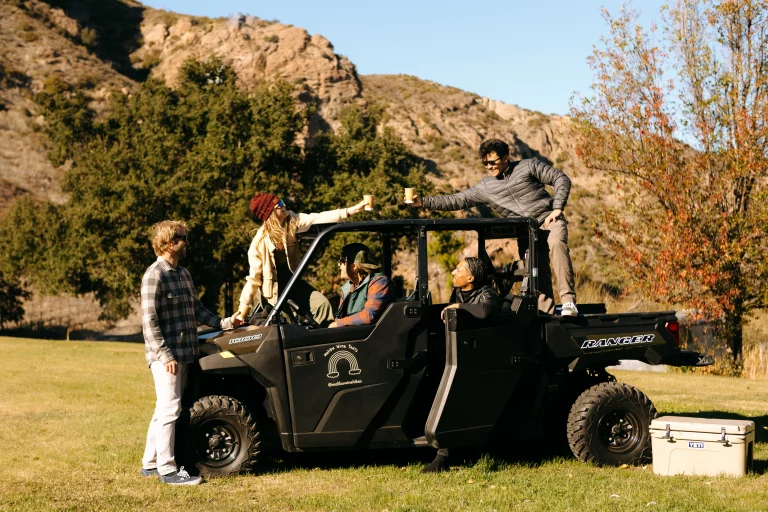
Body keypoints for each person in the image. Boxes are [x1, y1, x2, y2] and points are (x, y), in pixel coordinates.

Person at [410, 139, 578, 317]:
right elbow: (456, 200)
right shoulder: (486, 187)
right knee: (536, 271)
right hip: (527, 232)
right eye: (485, 163)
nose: (489, 167)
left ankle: (568, 302)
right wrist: (423, 202)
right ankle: (545, 314)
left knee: (557, 245)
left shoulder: (528, 166)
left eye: (492, 162)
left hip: (549, 221)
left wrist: (558, 207)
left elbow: (561, 178)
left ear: (506, 157)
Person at [140, 220, 242, 485]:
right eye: (183, 238)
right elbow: (149, 322)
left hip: (185, 354)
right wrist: (165, 355)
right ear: (169, 242)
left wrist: (227, 322)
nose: (187, 243)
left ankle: (150, 464)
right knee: (170, 409)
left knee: (163, 409)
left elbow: (198, 311)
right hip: (167, 358)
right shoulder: (154, 275)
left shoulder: (183, 274)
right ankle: (168, 470)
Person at [237, 193, 367, 326]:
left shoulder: (292, 221)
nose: (284, 205)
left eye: (282, 201)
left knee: (322, 305)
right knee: (286, 326)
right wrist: (242, 312)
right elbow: (253, 280)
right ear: (271, 213)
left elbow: (318, 217)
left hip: (292, 282)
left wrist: (354, 209)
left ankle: (326, 340)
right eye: (280, 204)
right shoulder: (258, 245)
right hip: (273, 292)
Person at [424, 257, 501, 473]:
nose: (453, 272)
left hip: (484, 358)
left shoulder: (487, 293)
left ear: (471, 277)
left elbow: (486, 312)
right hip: (464, 353)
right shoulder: (459, 292)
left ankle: (443, 456)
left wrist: (459, 307)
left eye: (458, 269)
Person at [329, 243, 395, 328]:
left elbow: (368, 316)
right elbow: (340, 318)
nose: (339, 264)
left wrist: (337, 324)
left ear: (354, 267)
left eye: (341, 262)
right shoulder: (347, 288)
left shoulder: (379, 282)